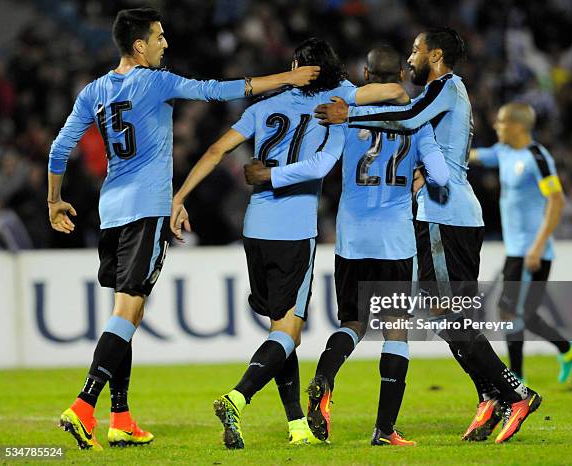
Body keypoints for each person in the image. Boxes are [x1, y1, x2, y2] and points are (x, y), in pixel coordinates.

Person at [47, 7, 321, 451]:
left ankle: (121, 418)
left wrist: (54, 200)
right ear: (140, 46)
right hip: (145, 209)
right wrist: (284, 80)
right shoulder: (157, 82)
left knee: (124, 313)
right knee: (128, 313)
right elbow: (219, 90)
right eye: (159, 37)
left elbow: (60, 148)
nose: (165, 44)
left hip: (111, 212)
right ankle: (83, 406)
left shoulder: (93, 91)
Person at [170, 38, 406, 449]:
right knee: (287, 333)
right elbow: (391, 94)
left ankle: (297, 424)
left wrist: (179, 196)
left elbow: (215, 149)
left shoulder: (262, 108)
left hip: (254, 227)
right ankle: (237, 397)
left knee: (282, 332)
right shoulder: (338, 98)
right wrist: (349, 99)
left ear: (297, 66)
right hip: (294, 231)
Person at [314, 27, 542, 444]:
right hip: (446, 214)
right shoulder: (441, 93)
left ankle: (515, 392)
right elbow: (410, 118)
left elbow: (408, 118)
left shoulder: (445, 87)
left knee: (446, 316)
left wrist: (351, 115)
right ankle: (491, 395)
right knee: (453, 317)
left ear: (435, 55)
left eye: (416, 50)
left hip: (445, 215)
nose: (411, 56)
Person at [244, 46, 449, 446]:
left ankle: (325, 378)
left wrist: (272, 175)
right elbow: (440, 175)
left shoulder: (343, 112)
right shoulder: (417, 122)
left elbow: (320, 166)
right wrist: (421, 170)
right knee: (395, 334)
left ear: (365, 72)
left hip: (352, 238)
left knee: (352, 324)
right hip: (394, 240)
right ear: (402, 77)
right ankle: (384, 430)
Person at [470, 102, 572, 383]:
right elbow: (472, 156)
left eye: (501, 122)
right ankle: (567, 349)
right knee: (525, 315)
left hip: (531, 251)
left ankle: (517, 378)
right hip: (517, 250)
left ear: (518, 126)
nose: (496, 126)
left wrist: (537, 246)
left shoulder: (537, 157)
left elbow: (557, 201)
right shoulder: (504, 153)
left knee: (509, 311)